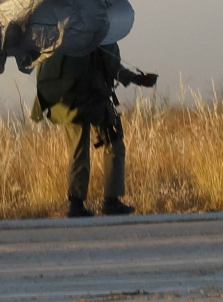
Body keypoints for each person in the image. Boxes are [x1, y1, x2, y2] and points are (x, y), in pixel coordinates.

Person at [32, 43, 158, 217]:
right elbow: (116, 70)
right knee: (114, 145)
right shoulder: (102, 32)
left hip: (65, 101)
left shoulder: (59, 35)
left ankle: (76, 205)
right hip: (93, 98)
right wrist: (138, 79)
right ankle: (111, 202)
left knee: (78, 151)